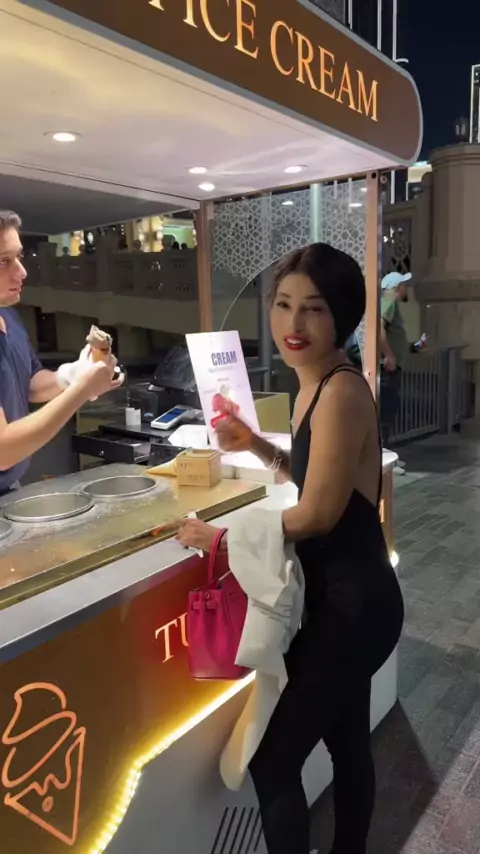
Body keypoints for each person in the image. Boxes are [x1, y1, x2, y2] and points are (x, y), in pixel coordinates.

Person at [177, 243, 404, 854]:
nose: (293, 323)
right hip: (346, 600)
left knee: (273, 761)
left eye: (313, 308)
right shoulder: (316, 385)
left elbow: (318, 513)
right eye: (283, 305)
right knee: (347, 742)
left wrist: (222, 539)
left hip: (354, 607)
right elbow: (312, 477)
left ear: (343, 316)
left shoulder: (340, 391)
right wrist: (253, 442)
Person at [0, 210, 124, 495]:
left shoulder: (7, 316)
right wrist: (81, 390)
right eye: (3, 261)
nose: (22, 272)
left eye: (19, 256)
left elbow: (30, 383)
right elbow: (3, 451)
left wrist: (70, 375)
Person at [380, 272, 426, 466]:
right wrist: (389, 355)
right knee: (384, 415)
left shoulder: (390, 304)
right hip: (387, 370)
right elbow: (379, 329)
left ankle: (386, 457)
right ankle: (383, 461)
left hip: (390, 369)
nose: (406, 288)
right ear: (397, 287)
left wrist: (415, 347)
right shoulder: (389, 303)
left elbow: (394, 340)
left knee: (387, 414)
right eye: (404, 284)